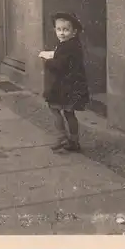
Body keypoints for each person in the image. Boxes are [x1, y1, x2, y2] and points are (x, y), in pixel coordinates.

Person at [39, 12, 89, 152]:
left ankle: (61, 136)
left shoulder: (68, 46)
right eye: (59, 29)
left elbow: (61, 65)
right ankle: (74, 140)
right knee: (69, 113)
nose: (62, 33)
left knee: (54, 108)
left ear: (74, 32)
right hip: (72, 85)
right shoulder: (72, 45)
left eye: (66, 30)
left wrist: (48, 61)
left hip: (64, 87)